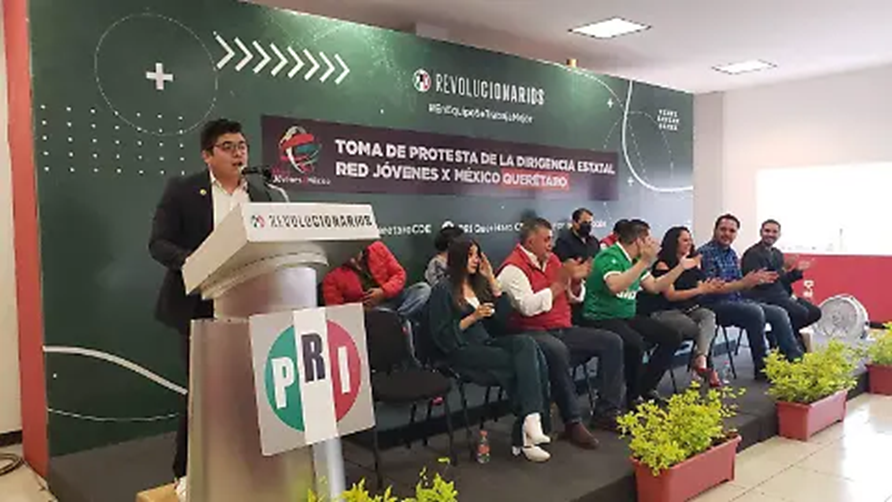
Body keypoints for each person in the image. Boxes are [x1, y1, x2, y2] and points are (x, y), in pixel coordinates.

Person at [149, 118, 280, 502]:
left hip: (252, 304)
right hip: (199, 306)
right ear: (207, 155)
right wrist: (196, 261)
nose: (238, 153)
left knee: (249, 392)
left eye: (242, 146)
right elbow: (159, 243)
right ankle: (186, 472)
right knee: (202, 394)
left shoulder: (262, 193)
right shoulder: (183, 190)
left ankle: (245, 464)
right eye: (228, 146)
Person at [497, 217, 625, 449]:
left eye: (551, 239)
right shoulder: (512, 269)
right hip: (529, 332)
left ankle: (606, 412)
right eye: (546, 240)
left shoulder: (553, 260)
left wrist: (574, 282)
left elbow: (574, 298)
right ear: (530, 242)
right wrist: (559, 284)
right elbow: (527, 307)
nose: (551, 244)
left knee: (612, 341)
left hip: (562, 328)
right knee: (557, 351)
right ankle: (572, 422)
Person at [428, 237, 552, 462]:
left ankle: (530, 420)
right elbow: (441, 336)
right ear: (458, 258)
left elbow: (504, 323)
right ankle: (528, 431)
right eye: (470, 255)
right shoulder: (442, 290)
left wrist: (493, 281)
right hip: (460, 349)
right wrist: (473, 317)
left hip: (485, 342)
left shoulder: (478, 285)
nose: (476, 260)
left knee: (528, 345)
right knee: (526, 364)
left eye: (477, 255)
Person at [580, 219, 689, 407]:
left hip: (626, 316)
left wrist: (680, 268)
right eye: (648, 239)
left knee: (672, 336)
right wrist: (644, 262)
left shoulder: (636, 261)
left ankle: (646, 387)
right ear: (639, 241)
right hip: (600, 317)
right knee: (634, 343)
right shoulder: (609, 257)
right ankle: (632, 397)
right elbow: (614, 286)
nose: (652, 243)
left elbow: (654, 287)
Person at [698, 214, 805, 379]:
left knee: (779, 312)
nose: (727, 234)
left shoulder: (731, 253)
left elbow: (742, 284)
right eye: (723, 229)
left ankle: (795, 361)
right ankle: (762, 368)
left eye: (732, 231)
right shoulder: (705, 253)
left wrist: (755, 281)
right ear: (715, 230)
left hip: (736, 300)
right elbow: (711, 289)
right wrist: (745, 283)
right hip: (713, 304)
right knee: (755, 312)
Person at [637, 226, 724, 387]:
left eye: (690, 240)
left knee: (709, 316)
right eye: (685, 240)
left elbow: (699, 289)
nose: (689, 243)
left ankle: (701, 359)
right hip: (666, 310)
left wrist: (708, 288)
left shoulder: (692, 263)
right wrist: (700, 290)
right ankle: (702, 366)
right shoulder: (663, 264)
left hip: (689, 309)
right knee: (702, 332)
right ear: (674, 242)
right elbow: (671, 295)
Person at [741, 219, 821, 340]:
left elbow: (782, 280)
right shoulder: (752, 254)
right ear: (761, 232)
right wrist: (784, 269)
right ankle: (784, 338)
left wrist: (797, 271)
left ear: (779, 235)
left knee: (815, 312)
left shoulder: (777, 253)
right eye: (767, 231)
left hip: (781, 294)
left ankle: (778, 336)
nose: (770, 234)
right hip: (762, 297)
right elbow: (761, 282)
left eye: (774, 232)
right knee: (801, 313)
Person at [322, 240, 430, 319]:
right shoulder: (331, 273)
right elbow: (335, 310)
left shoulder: (378, 247)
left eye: (355, 254)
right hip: (371, 310)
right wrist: (362, 308)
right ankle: (394, 320)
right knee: (379, 314)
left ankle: (397, 319)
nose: (353, 260)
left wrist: (383, 292)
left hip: (395, 297)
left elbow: (399, 274)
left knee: (422, 289)